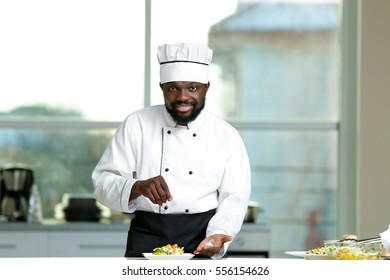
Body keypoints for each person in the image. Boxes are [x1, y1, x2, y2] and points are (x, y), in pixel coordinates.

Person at [92, 42, 251, 259]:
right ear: (162, 88)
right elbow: (102, 182)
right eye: (173, 88)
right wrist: (137, 186)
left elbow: (235, 198)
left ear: (207, 87)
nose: (182, 97)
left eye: (193, 88)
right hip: (147, 237)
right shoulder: (136, 124)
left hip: (202, 239)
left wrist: (219, 233)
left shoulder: (226, 136)